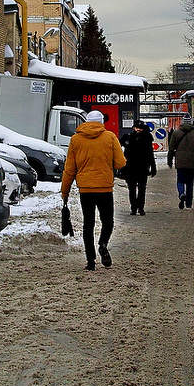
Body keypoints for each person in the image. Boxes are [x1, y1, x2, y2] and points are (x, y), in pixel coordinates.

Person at [61, 110, 126, 270]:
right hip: (104, 188)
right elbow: (120, 163)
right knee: (108, 222)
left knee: (88, 224)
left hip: (86, 189)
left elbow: (69, 169)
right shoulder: (110, 137)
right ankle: (103, 244)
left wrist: (65, 192)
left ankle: (90, 261)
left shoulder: (76, 139)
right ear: (101, 122)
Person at [167, 117, 194, 210]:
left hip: (180, 161)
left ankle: (181, 193)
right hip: (191, 161)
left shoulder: (176, 133)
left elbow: (171, 148)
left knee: (180, 180)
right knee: (190, 183)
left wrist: (169, 161)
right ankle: (188, 204)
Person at [120, 119, 156, 215]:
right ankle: (134, 208)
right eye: (136, 128)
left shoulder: (146, 138)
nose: (138, 130)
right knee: (133, 189)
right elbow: (121, 149)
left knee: (141, 189)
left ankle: (140, 208)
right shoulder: (129, 137)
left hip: (141, 167)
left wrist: (153, 167)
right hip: (132, 167)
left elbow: (150, 154)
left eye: (140, 128)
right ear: (133, 128)